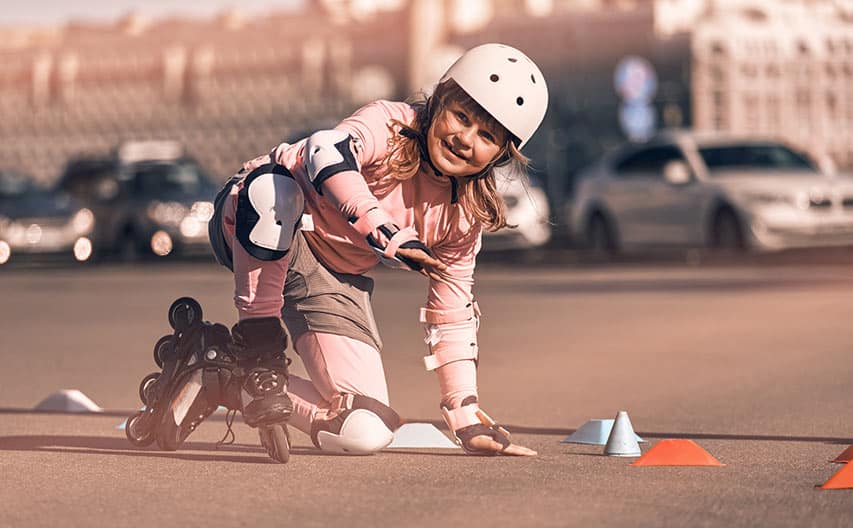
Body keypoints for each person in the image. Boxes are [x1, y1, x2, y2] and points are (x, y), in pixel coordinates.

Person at [191, 43, 547, 458]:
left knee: (366, 430)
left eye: (486, 136)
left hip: (331, 274)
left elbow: (451, 316)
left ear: (503, 153)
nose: (464, 139)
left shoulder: (463, 215)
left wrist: (465, 419)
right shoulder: (391, 123)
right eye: (461, 117)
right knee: (276, 189)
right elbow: (325, 150)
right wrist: (385, 233)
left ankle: (218, 373)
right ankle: (259, 350)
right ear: (440, 101)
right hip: (256, 219)